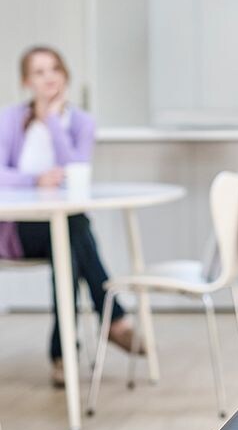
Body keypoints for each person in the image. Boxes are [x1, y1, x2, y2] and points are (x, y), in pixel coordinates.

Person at [0, 45, 141, 388]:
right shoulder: (9, 119)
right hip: (15, 228)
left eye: (55, 69)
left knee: (69, 234)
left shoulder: (81, 123)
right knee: (75, 230)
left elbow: (76, 168)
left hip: (57, 224)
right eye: (39, 71)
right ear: (25, 81)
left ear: (65, 75)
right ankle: (113, 318)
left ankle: (63, 354)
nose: (49, 77)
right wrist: (35, 179)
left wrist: (51, 120)